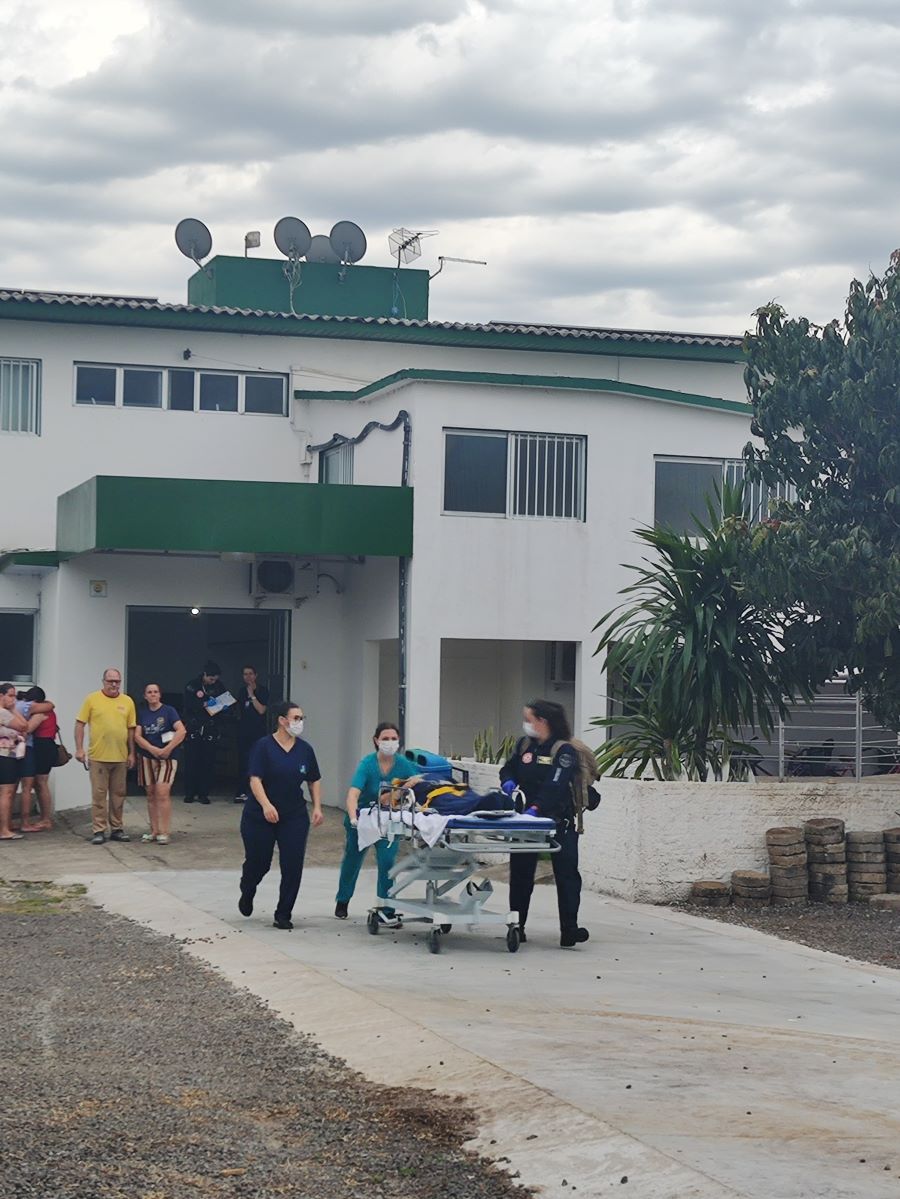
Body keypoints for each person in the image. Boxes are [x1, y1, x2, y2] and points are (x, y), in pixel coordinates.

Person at [500, 699, 589, 948]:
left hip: (557, 821)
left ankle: (569, 930)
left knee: (567, 875)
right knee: (520, 874)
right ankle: (517, 925)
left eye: (529, 719)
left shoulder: (563, 751)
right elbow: (508, 769)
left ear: (543, 722)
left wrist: (537, 808)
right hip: (525, 823)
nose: (526, 725)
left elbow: (555, 785)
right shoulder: (524, 745)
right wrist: (507, 782)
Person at [238, 700, 324, 930]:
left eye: (302, 719)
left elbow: (313, 780)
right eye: (296, 718)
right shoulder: (263, 746)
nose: (299, 723)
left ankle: (283, 913)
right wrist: (266, 805)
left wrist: (317, 807)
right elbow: (255, 779)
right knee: (260, 862)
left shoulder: (305, 750)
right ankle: (247, 889)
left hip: (293, 814)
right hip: (260, 815)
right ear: (282, 720)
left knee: (292, 864)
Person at [334, 722, 421, 919]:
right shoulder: (367, 764)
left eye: (393, 739)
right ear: (376, 740)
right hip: (364, 817)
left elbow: (419, 779)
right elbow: (353, 794)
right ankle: (343, 899)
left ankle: (387, 907)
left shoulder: (403, 763)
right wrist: (354, 817)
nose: (390, 743)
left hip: (388, 819)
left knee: (388, 861)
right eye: (385, 739)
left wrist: (406, 787)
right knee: (353, 859)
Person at [74, 667, 137, 845]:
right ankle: (99, 830)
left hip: (120, 757)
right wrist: (79, 749)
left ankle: (117, 828)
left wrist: (132, 753)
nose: (114, 684)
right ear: (103, 682)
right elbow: (80, 724)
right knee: (99, 795)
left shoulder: (128, 701)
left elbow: (131, 729)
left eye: (117, 681)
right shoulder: (92, 699)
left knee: (119, 795)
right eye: (110, 681)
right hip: (98, 757)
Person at [134, 683, 186, 844]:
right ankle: (154, 831)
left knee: (162, 792)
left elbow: (181, 731)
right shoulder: (142, 714)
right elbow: (137, 735)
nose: (153, 694)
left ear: (160, 694)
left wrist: (168, 749)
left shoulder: (169, 711)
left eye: (155, 692)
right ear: (145, 696)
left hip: (167, 758)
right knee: (150, 794)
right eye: (149, 692)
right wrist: (152, 749)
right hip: (147, 757)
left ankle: (165, 831)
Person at [182, 660, 227, 804]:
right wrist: (205, 704)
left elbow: (226, 702)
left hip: (210, 728)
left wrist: (221, 706)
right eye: (211, 678)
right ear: (205, 675)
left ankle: (203, 793)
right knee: (191, 762)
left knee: (207, 762)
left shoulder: (219, 686)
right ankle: (189, 793)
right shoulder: (193, 685)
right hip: (194, 727)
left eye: (215, 679)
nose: (213, 681)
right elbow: (188, 704)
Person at [18, 686, 58, 833]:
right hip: (46, 745)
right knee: (39, 783)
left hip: (43, 746)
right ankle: (44, 818)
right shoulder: (47, 707)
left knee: (41, 783)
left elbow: (28, 728)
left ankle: (46, 819)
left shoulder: (41, 711)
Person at [234, 665, 269, 803]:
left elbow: (261, 710)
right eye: (245, 674)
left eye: (250, 674)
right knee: (243, 761)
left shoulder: (263, 691)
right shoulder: (241, 691)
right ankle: (241, 791)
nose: (247, 677)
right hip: (243, 732)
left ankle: (255, 792)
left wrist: (252, 695)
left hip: (258, 732)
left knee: (256, 761)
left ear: (256, 675)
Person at [0, 684, 29, 841]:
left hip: (9, 754)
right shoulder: (3, 713)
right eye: (10, 696)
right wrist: (13, 709)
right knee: (6, 792)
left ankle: (6, 826)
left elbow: (25, 729)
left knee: (7, 792)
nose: (14, 700)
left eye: (15, 696)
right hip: (4, 755)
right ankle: (4, 829)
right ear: (1, 695)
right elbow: (23, 725)